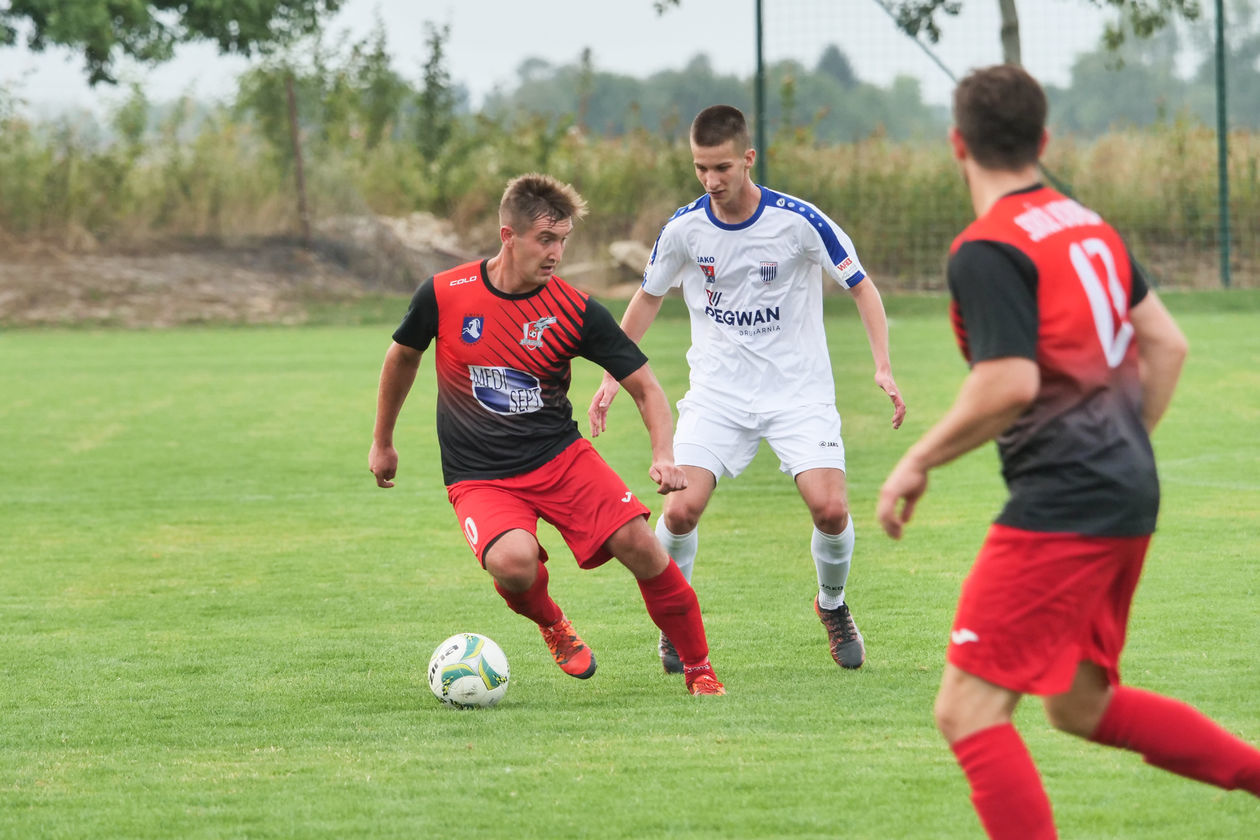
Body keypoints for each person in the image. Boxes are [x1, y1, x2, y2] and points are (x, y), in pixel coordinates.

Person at [877, 64, 1260, 838]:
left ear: (957, 144)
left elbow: (1008, 382)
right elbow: (1167, 344)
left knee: (967, 710)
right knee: (1081, 704)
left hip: (1065, 504)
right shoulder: (1088, 224)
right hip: (1125, 490)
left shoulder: (988, 247)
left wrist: (918, 459)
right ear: (1044, 140)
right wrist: (1118, 445)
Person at [369, 172, 725, 696]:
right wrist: (383, 441)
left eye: (562, 239)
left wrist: (663, 454)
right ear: (508, 236)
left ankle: (699, 669)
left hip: (560, 458)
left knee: (641, 545)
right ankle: (552, 622)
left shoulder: (574, 309)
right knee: (513, 564)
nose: (556, 252)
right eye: (545, 239)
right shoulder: (445, 294)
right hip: (479, 475)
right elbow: (402, 356)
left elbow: (646, 388)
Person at [588, 105, 906, 673]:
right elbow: (648, 298)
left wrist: (882, 366)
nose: (711, 180)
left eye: (722, 167)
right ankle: (676, 617)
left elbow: (861, 286)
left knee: (831, 510)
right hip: (718, 397)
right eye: (700, 168)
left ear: (748, 159)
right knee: (680, 512)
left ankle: (832, 605)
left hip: (798, 394)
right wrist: (613, 374)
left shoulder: (798, 221)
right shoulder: (684, 229)